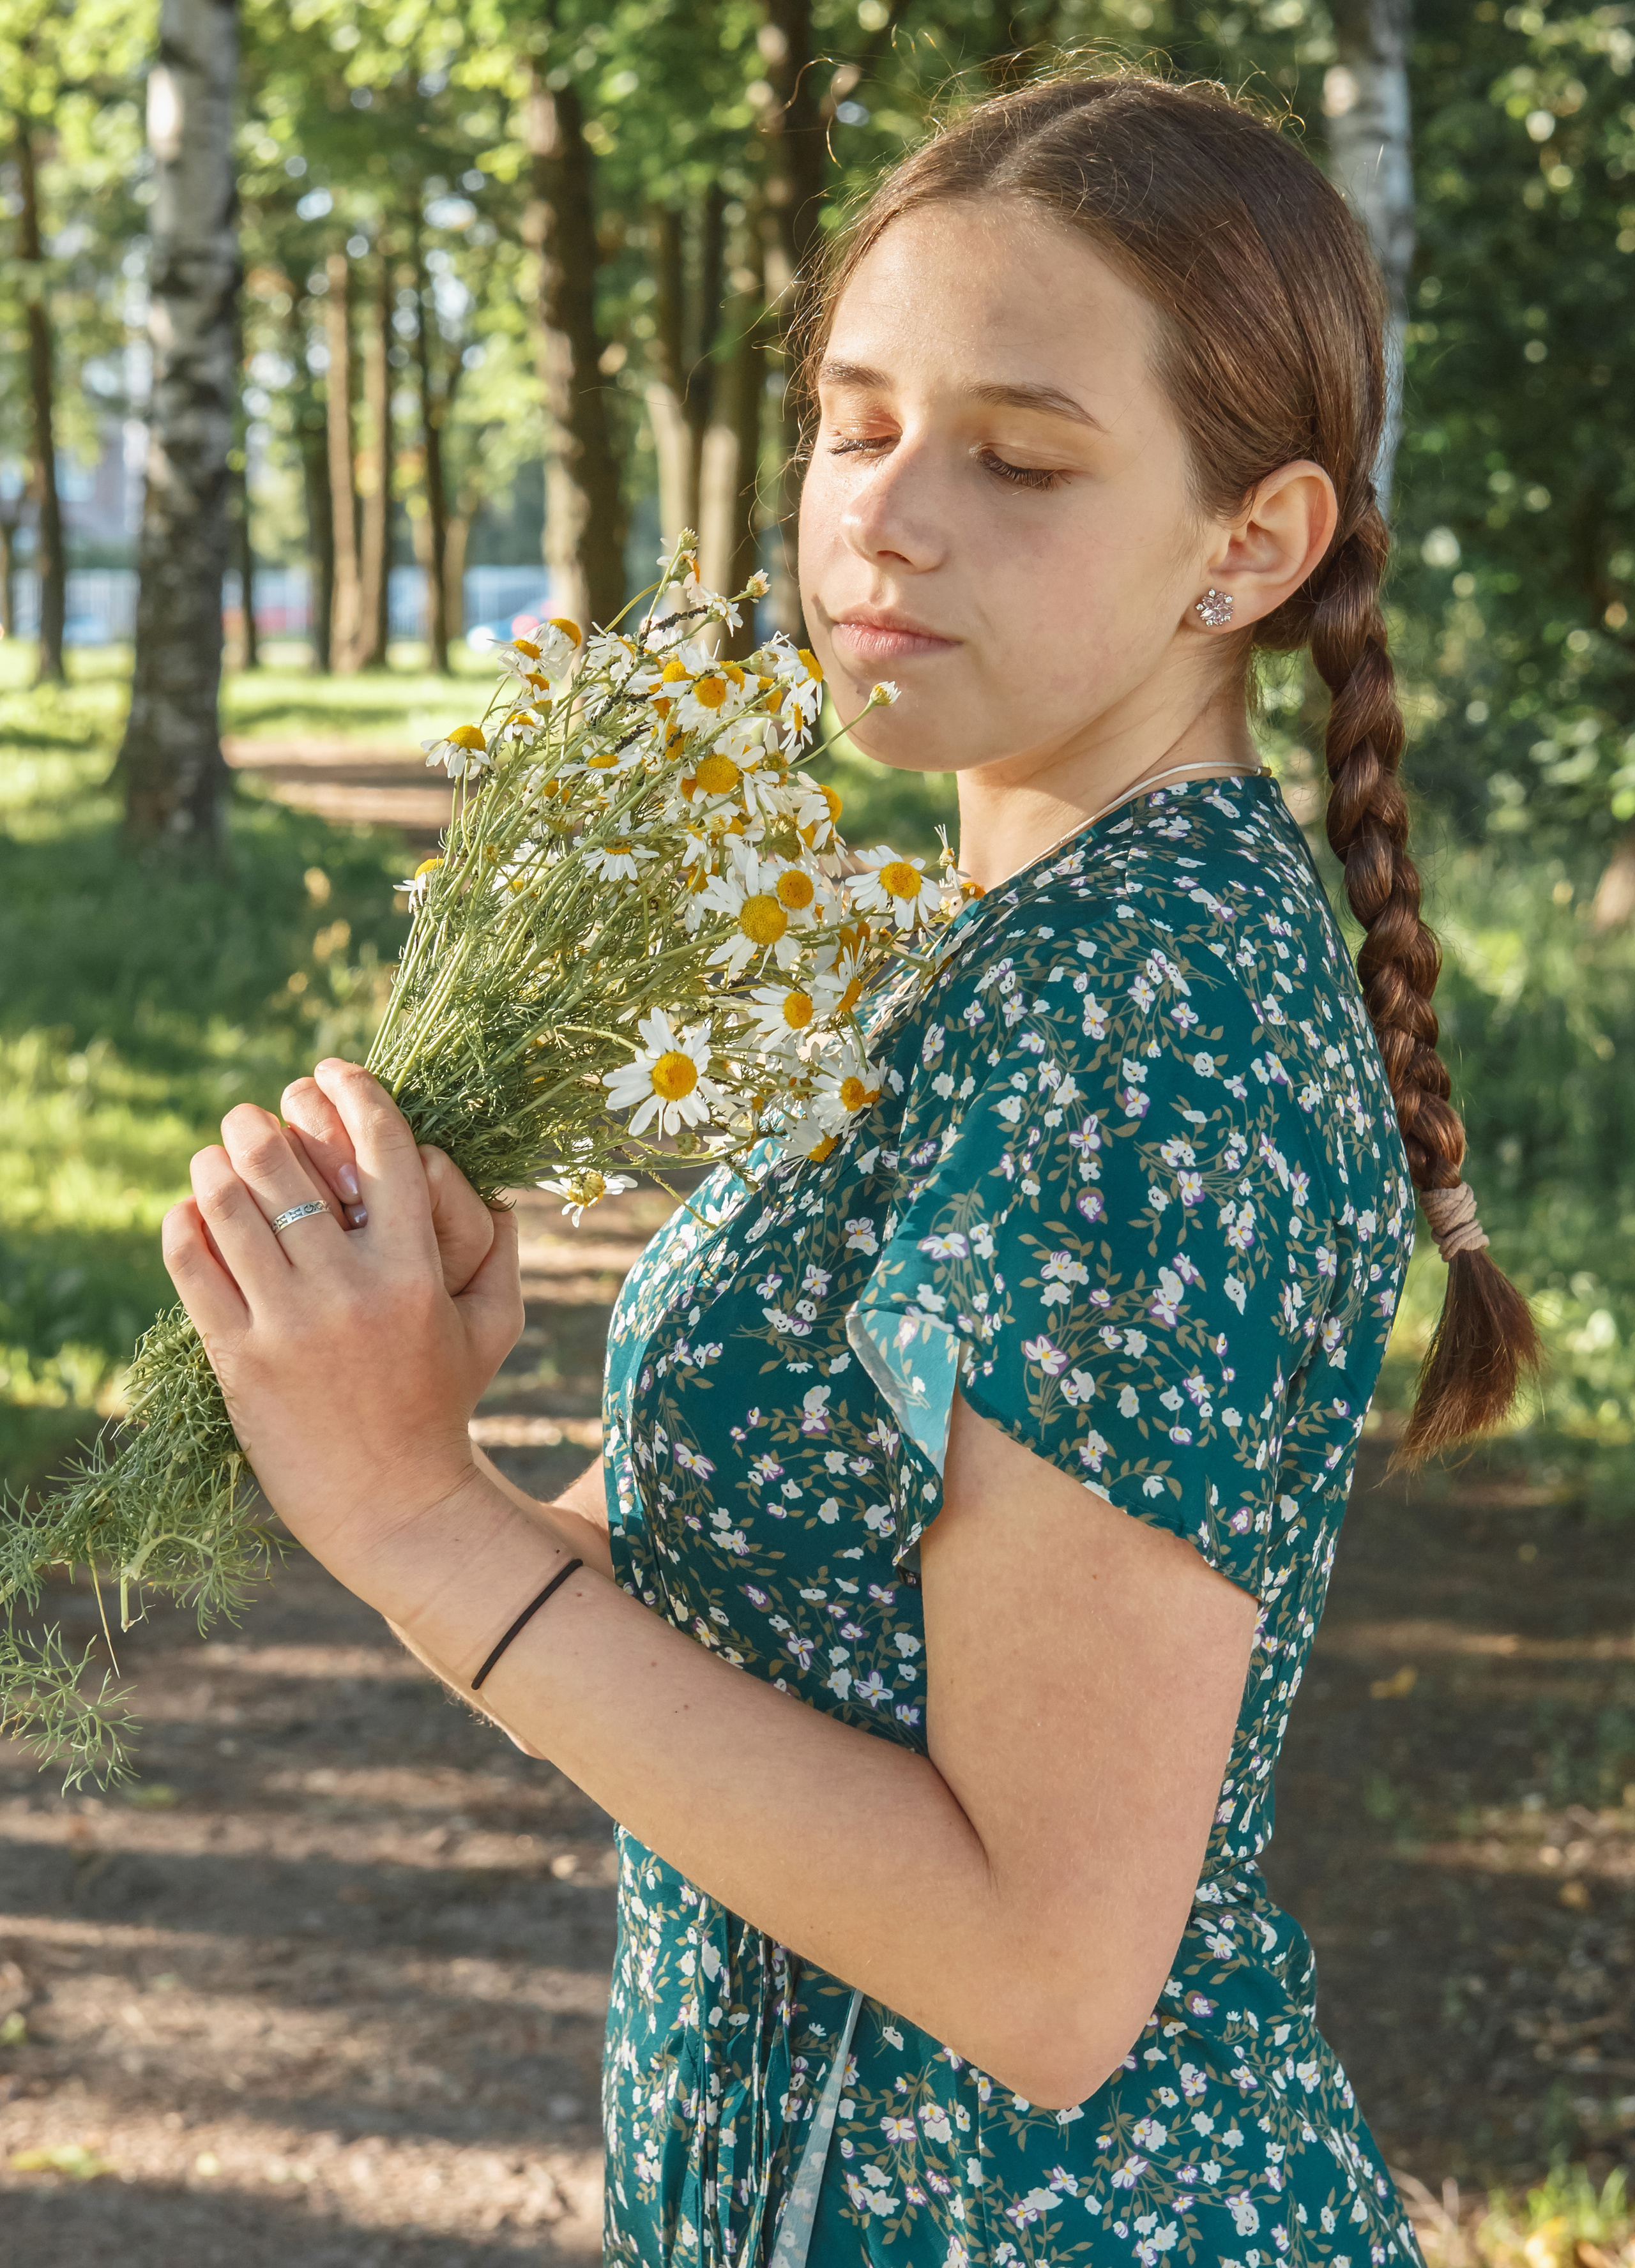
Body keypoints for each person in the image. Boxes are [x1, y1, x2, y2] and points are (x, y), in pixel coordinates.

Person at [162, 70, 1539, 2268]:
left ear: (1252, 545)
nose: (885, 518)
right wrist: (412, 1417)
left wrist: (419, 1520)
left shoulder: (1141, 1023)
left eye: (1019, 459)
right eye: (853, 422)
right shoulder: (1003, 952)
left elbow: (1046, 1973)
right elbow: (763, 1641)